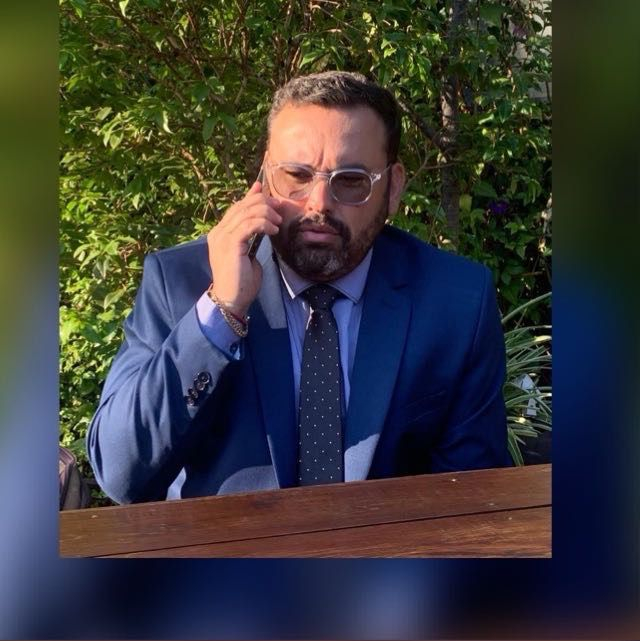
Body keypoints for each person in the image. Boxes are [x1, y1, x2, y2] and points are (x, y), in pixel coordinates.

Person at [87, 71, 510, 504]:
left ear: (394, 187)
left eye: (351, 180)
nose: (318, 203)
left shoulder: (455, 300)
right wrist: (222, 311)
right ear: (265, 176)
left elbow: (473, 496)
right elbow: (121, 474)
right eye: (296, 175)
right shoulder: (181, 281)